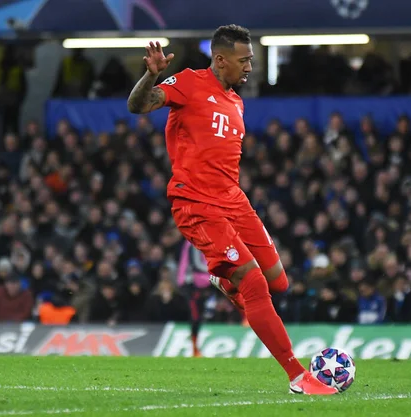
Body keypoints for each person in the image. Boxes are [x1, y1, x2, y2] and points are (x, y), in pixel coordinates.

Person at [127, 24, 336, 395]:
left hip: (235, 201)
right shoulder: (189, 83)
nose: (250, 68)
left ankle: (225, 279)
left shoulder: (236, 101)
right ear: (220, 60)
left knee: (279, 282)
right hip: (197, 204)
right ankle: (298, 377)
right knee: (254, 284)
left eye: (251, 60)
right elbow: (138, 105)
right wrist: (151, 75)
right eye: (244, 61)